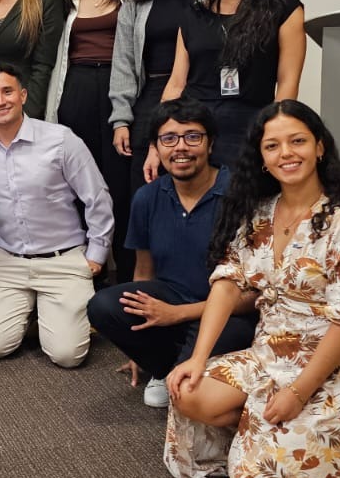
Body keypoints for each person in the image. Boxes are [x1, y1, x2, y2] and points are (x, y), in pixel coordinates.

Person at [165, 100, 340, 478]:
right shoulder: (259, 214)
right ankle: (264, 426)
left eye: (297, 141)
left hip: (332, 362)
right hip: (269, 353)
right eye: (272, 145)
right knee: (189, 393)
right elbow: (228, 281)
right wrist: (198, 358)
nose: (286, 153)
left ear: (319, 148)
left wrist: (298, 393)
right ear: (261, 157)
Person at [87, 98, 255, 408]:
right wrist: (136, 347)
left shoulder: (239, 195)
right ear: (156, 147)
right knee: (104, 304)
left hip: (229, 311)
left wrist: (177, 314)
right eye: (169, 139)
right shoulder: (148, 197)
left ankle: (183, 367)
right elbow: (143, 270)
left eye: (193, 136)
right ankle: (164, 368)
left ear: (210, 143)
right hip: (172, 298)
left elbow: (254, 294)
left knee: (189, 393)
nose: (181, 147)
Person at [0, 62, 111, 367]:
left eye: (7, 92)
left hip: (63, 259)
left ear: (23, 95)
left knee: (68, 356)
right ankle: (30, 307)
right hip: (8, 260)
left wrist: (97, 253)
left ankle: (47, 307)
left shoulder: (60, 139)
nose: (0, 101)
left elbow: (97, 196)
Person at [158, 0, 305, 172]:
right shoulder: (193, 14)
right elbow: (176, 83)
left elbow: (287, 84)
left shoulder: (284, 8)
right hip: (193, 135)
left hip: (249, 133)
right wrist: (158, 141)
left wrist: (273, 140)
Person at [49, 0, 140, 284]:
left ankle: (125, 273)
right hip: (75, 91)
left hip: (119, 93)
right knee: (78, 186)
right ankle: (86, 275)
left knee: (120, 186)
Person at [111, 0, 198, 208]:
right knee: (145, 199)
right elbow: (123, 60)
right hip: (148, 103)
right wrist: (121, 120)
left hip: (198, 97)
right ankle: (144, 258)